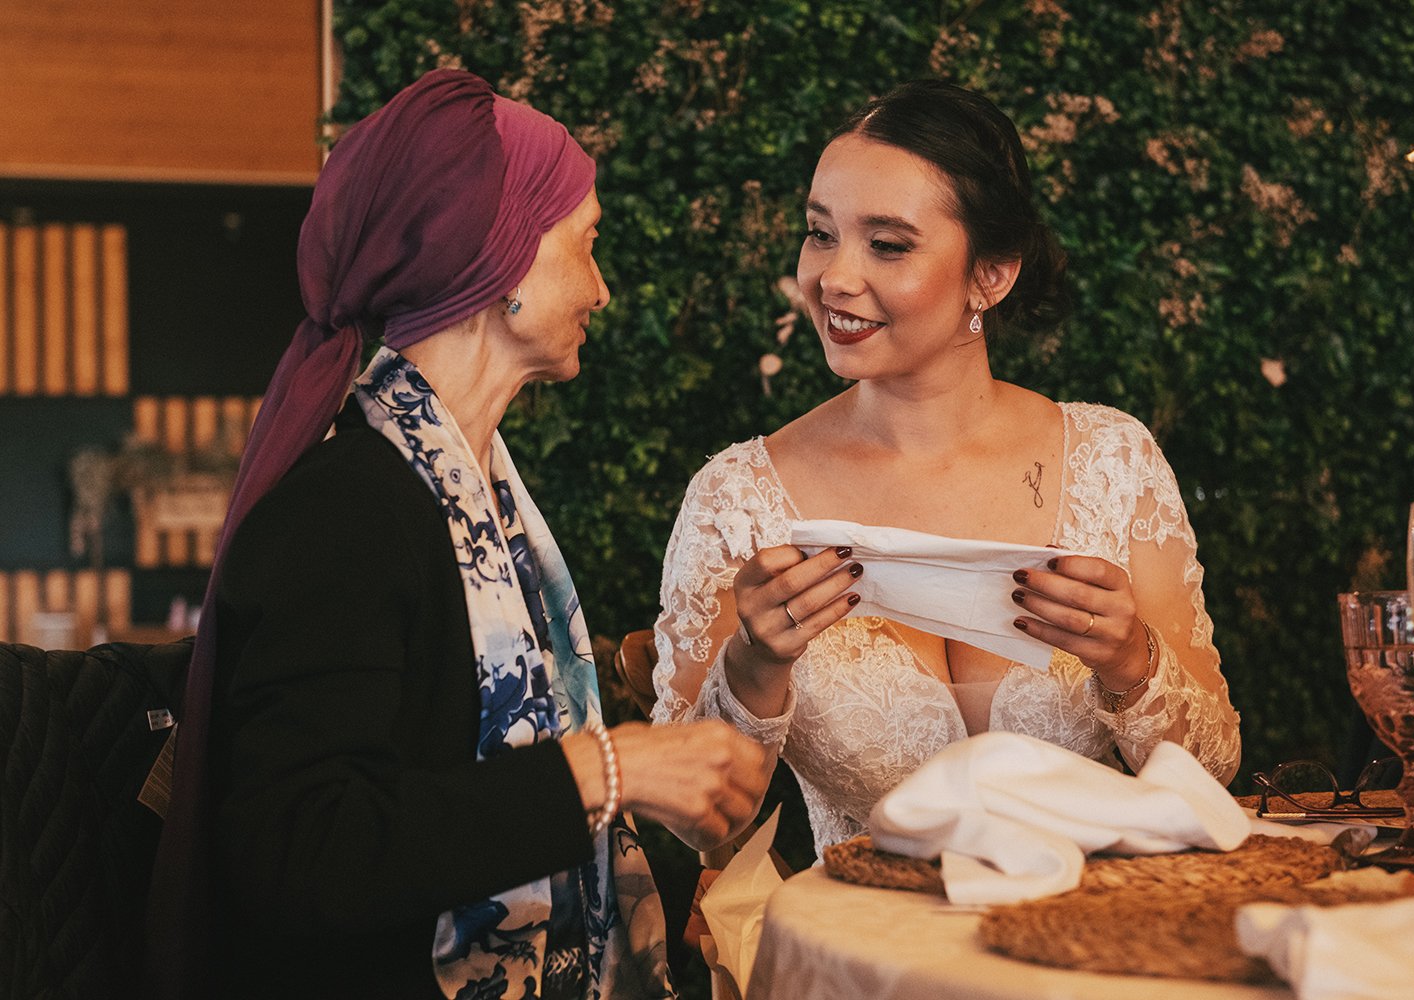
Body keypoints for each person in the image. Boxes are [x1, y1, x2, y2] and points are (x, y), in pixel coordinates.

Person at [144, 69, 765, 1000]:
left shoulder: (479, 501)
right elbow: (304, 852)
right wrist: (610, 766)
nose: (601, 288)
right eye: (585, 246)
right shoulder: (347, 510)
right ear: (504, 265)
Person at [651, 81, 1241, 859]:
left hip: (1081, 943)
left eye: (886, 245)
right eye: (820, 233)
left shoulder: (1111, 464)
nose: (833, 277)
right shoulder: (740, 500)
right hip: (867, 950)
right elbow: (693, 824)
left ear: (991, 275)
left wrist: (1131, 661)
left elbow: (1215, 773)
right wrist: (756, 665)